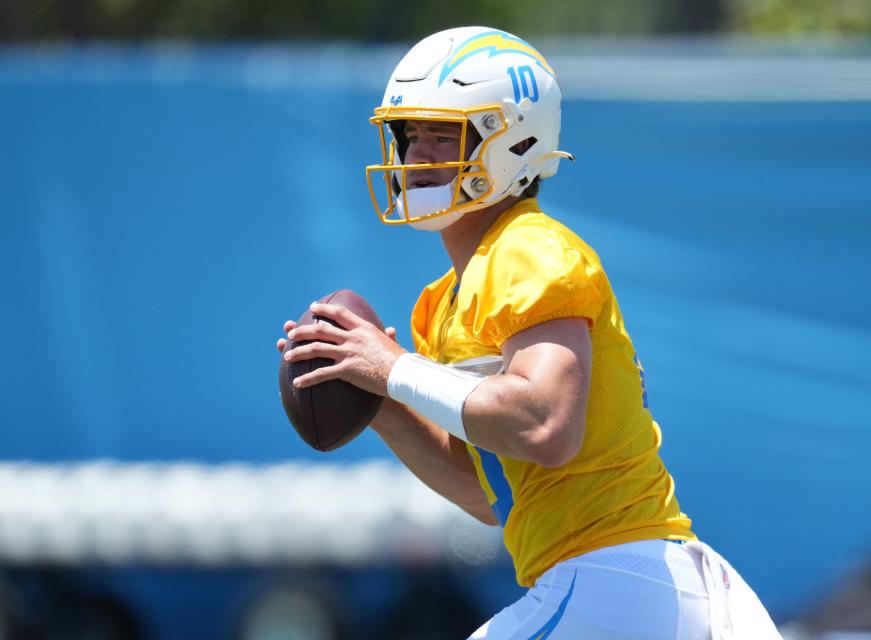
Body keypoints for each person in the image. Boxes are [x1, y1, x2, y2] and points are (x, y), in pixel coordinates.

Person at [277, 26, 782, 639]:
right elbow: (487, 492)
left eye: (444, 134)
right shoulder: (446, 301)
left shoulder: (527, 247)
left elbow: (545, 426)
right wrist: (379, 398)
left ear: (513, 142)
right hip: (627, 589)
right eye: (411, 135)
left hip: (617, 581)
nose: (416, 156)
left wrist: (394, 369)